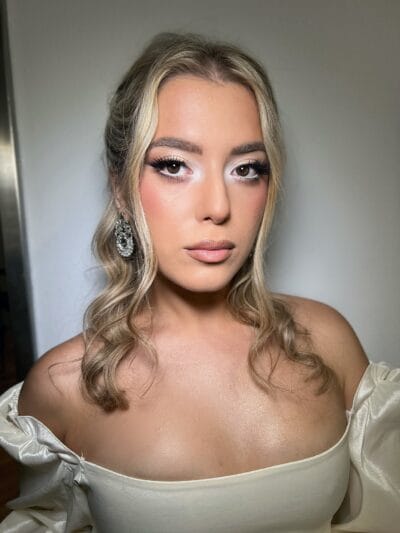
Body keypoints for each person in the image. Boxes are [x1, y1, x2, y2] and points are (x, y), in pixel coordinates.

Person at [0, 31, 399, 533]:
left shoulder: (328, 342)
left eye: (246, 169)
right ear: (121, 189)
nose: (217, 207)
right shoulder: (64, 386)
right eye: (174, 165)